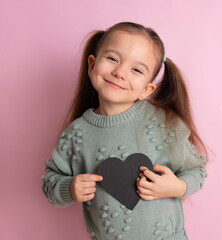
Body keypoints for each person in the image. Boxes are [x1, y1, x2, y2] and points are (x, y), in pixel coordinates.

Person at [41, 22, 208, 240]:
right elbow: (49, 182)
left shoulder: (163, 123)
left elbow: (198, 170)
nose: (120, 72)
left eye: (136, 70)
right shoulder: (77, 133)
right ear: (92, 65)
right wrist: (69, 188)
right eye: (112, 58)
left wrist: (178, 186)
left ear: (146, 89)